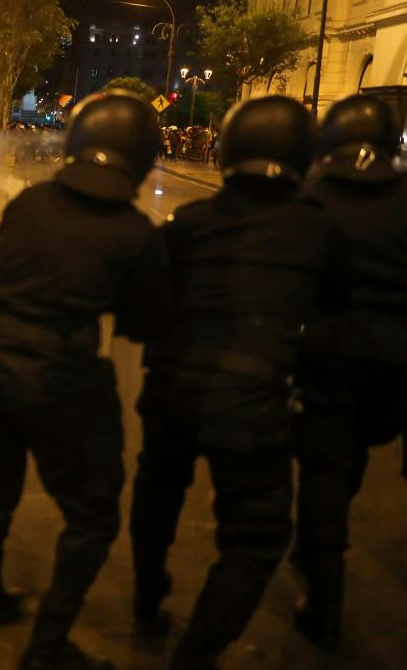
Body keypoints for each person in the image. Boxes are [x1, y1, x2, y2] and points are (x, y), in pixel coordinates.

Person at [129, 96, 350, 669]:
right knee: (254, 537)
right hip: (253, 403)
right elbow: (334, 313)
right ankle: (195, 653)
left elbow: (148, 308)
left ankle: (146, 602)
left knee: (156, 499)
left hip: (173, 391)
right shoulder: (318, 230)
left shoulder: (188, 225)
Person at [0, 91, 169, 670]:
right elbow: (145, 323)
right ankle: (47, 647)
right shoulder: (135, 234)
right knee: (94, 515)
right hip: (64, 380)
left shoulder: (27, 207)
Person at [291, 95, 407, 651]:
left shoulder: (308, 197)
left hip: (327, 357)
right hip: (394, 363)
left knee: (326, 471)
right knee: (350, 456)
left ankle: (323, 598)